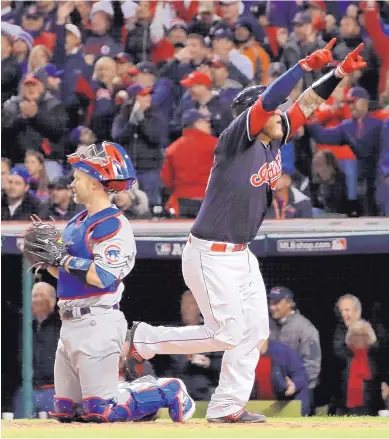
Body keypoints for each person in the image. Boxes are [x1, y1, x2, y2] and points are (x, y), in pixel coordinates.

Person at [125, 40, 366, 422]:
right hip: (209, 253)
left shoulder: (273, 136)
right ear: (252, 114)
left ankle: (227, 407)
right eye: (272, 110)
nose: (281, 114)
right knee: (226, 333)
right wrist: (301, 64)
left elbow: (305, 104)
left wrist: (336, 74)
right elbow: (273, 99)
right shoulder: (237, 140)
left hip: (241, 254)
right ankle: (144, 339)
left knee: (254, 332)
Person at [35, 141, 191, 423]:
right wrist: (49, 262)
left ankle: (167, 389)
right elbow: (65, 274)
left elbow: (103, 276)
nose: (72, 184)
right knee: (67, 412)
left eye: (78, 178)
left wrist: (64, 260)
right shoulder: (76, 222)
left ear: (95, 182)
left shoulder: (114, 224)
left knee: (102, 410)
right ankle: (141, 404)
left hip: (98, 321)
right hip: (69, 322)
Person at [268, 287, 321, 414]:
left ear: (290, 303)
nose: (271, 307)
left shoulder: (306, 328)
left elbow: (312, 366)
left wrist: (296, 383)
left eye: (276, 303)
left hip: (299, 394)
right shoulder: (269, 325)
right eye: (270, 302)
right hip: (275, 394)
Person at [14, 282, 60, 419]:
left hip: (54, 389)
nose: (37, 299)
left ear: (52, 300)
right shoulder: (23, 323)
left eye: (42, 295)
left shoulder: (60, 322)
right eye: (34, 296)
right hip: (27, 390)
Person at [161, 109, 217, 218]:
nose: (209, 125)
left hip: (180, 203)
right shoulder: (216, 145)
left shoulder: (173, 148)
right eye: (206, 121)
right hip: (209, 201)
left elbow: (166, 180)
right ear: (196, 123)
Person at [253, 339, 310, 416]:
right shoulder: (244, 354)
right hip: (260, 407)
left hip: (289, 405)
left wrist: (294, 385)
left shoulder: (283, 351)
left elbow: (301, 375)